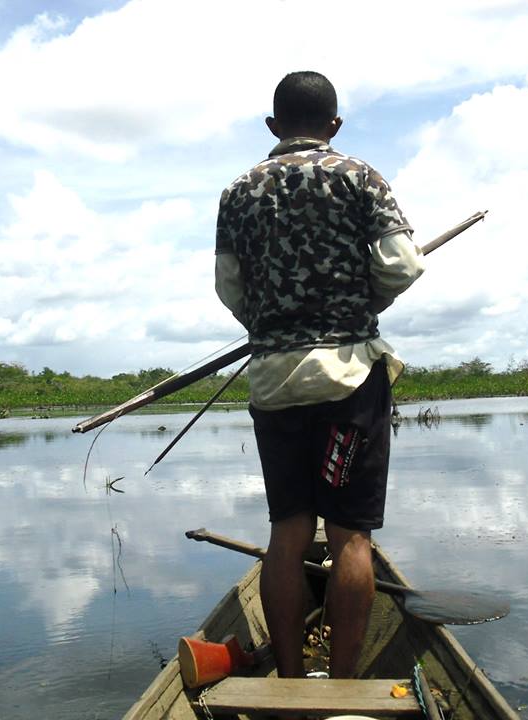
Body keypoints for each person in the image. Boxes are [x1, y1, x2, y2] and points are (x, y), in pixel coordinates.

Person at [214, 71, 424, 679]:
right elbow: (402, 266)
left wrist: (269, 319)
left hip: (274, 381)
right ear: (334, 125)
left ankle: (286, 677)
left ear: (273, 127)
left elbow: (229, 285)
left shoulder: (238, 191)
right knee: (350, 535)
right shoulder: (360, 176)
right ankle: (342, 682)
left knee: (289, 531)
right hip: (348, 376)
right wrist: (363, 301)